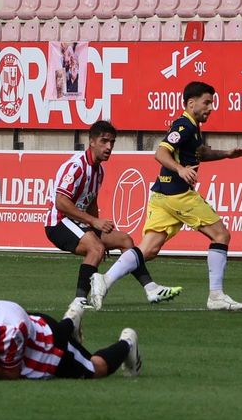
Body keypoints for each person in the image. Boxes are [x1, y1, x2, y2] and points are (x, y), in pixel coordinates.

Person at [44, 119, 181, 311]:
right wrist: (94, 223)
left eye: (112, 142)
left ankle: (151, 288)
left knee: (125, 240)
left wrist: (94, 226)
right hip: (58, 223)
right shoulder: (76, 167)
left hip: (79, 223)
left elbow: (91, 201)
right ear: (91, 141)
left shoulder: (99, 170)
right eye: (104, 141)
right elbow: (61, 202)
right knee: (96, 249)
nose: (109, 147)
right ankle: (79, 299)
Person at [139, 81, 242, 310]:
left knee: (147, 250)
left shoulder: (192, 126)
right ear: (191, 103)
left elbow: (202, 153)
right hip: (178, 194)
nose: (211, 108)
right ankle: (216, 296)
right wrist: (180, 169)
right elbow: (160, 152)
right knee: (221, 234)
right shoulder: (184, 125)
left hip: (164, 193)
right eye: (207, 102)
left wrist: (227, 154)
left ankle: (103, 279)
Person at [0, 298, 140, 380]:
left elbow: (12, 373)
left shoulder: (12, 331)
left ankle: (127, 343)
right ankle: (71, 320)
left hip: (49, 343)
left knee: (96, 369)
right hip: (24, 323)